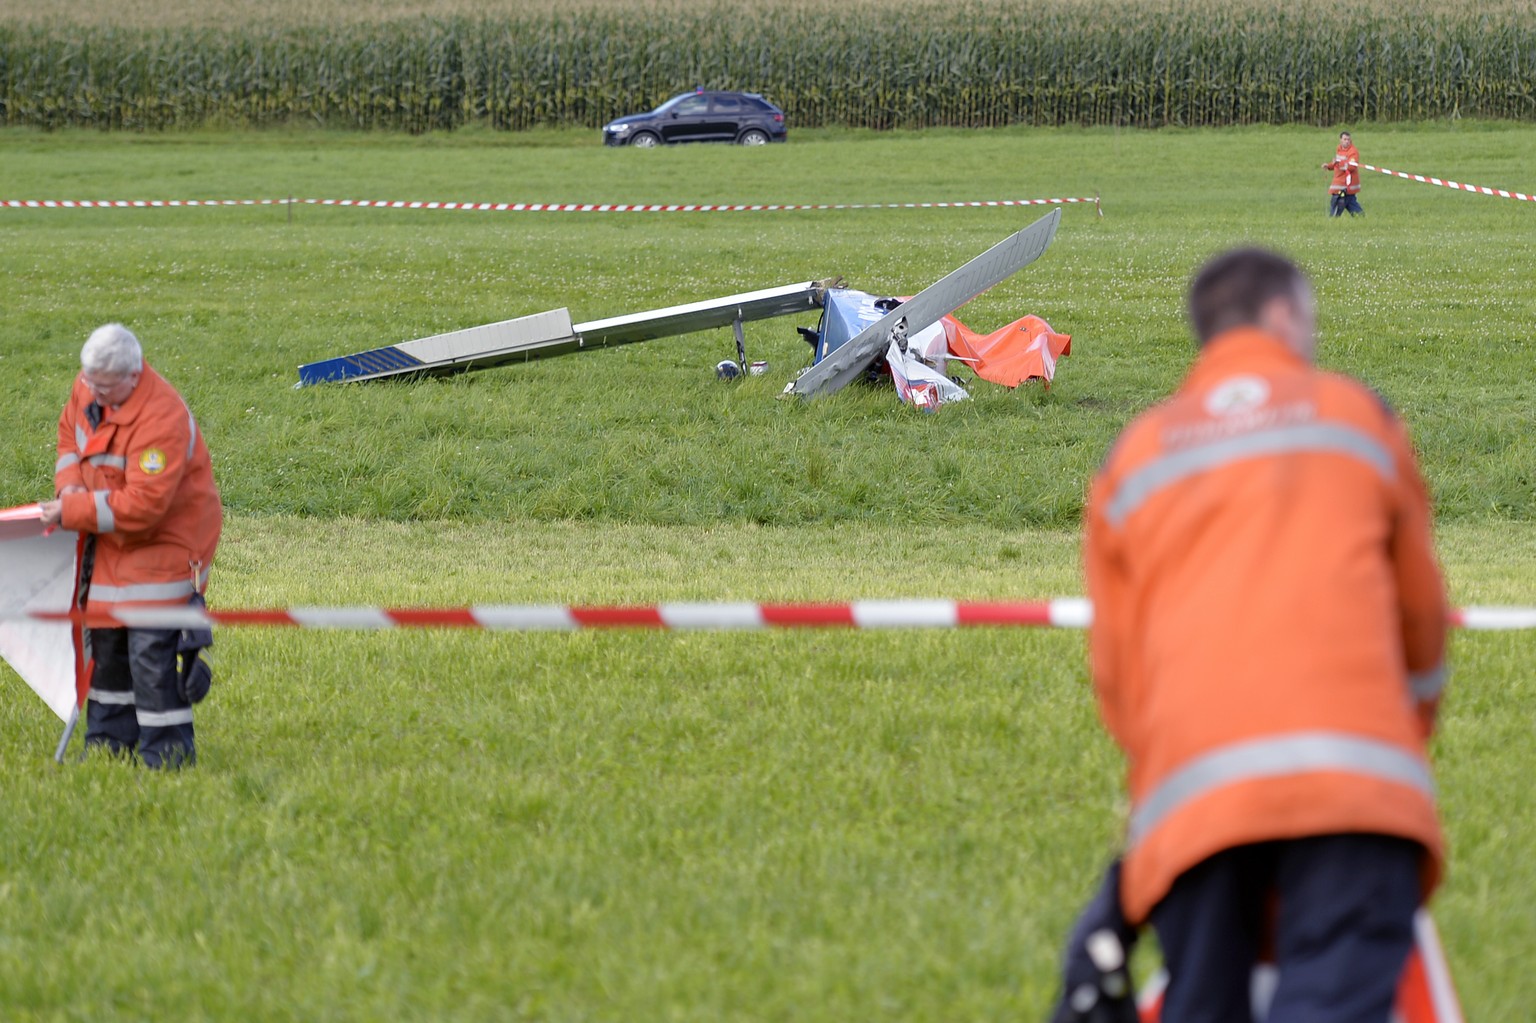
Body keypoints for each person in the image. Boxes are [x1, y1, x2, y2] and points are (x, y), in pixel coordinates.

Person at [1066, 249, 1449, 1022]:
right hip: (1356, 793)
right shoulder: (1358, 416)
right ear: (1283, 317)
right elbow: (1422, 624)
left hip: (1194, 810)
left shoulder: (1133, 457)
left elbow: (1121, 678)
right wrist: (1402, 729)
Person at [39, 324, 222, 768]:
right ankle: (108, 745)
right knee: (106, 649)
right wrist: (68, 491)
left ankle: (168, 758)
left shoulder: (162, 418)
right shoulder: (89, 387)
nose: (93, 395)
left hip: (165, 545)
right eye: (89, 384)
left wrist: (74, 512)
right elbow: (69, 442)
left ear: (134, 375)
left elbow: (145, 507)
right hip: (111, 541)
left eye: (104, 388)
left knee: (150, 655)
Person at [1323, 131, 1364, 217]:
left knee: (1337, 207)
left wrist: (1338, 163)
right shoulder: (1339, 149)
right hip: (1340, 184)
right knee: (1355, 209)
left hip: (1345, 186)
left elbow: (1352, 167)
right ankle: (1362, 219)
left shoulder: (1353, 151)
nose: (1347, 141)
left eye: (1348, 139)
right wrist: (1329, 166)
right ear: (1340, 140)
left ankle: (1333, 222)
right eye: (1345, 139)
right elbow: (1337, 164)